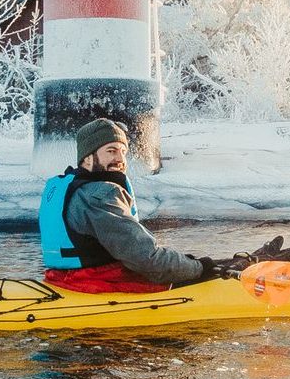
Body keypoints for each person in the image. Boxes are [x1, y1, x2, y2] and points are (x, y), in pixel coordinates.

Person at [39, 118, 217, 293]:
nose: (120, 158)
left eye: (123, 151)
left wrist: (190, 262)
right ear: (87, 158)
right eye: (111, 151)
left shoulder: (65, 187)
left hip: (59, 278)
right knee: (205, 272)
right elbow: (147, 260)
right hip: (97, 281)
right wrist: (199, 268)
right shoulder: (100, 195)